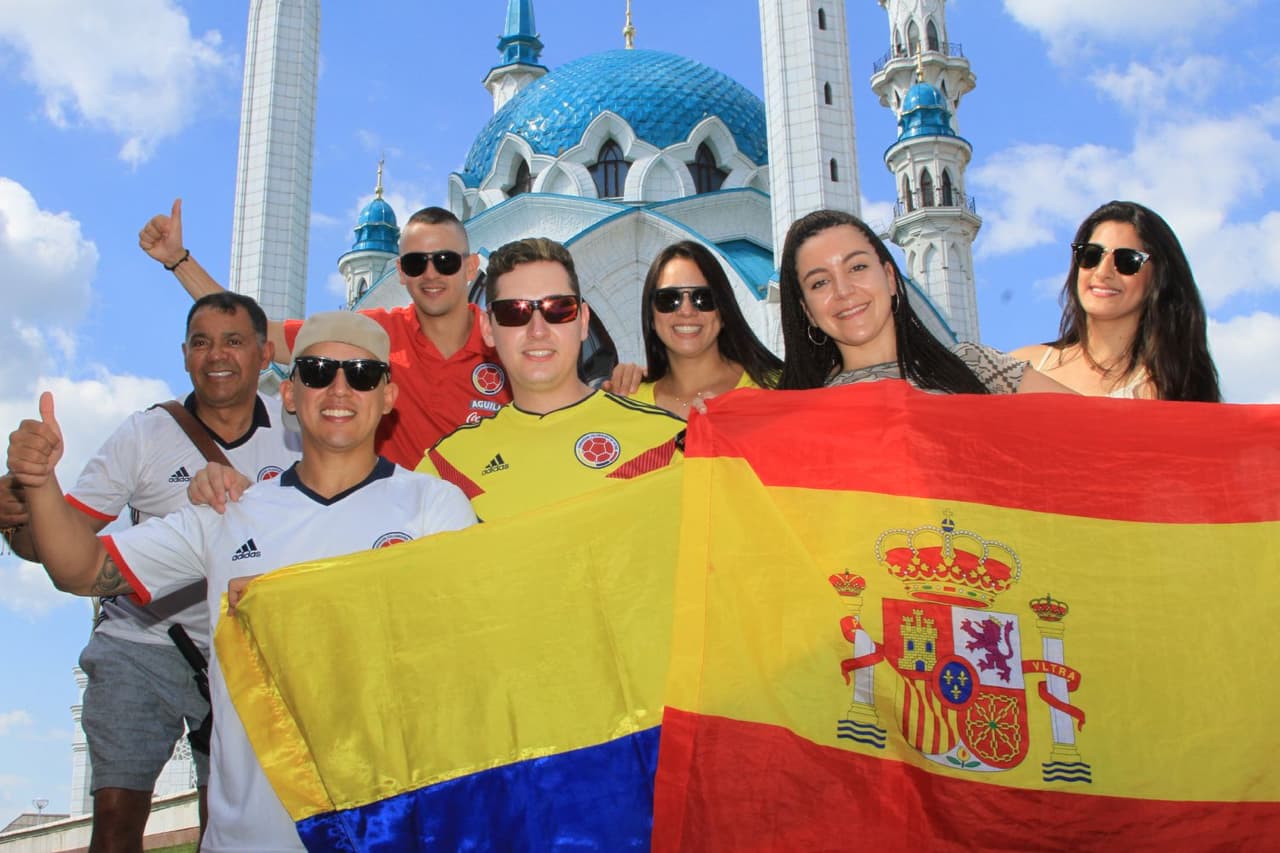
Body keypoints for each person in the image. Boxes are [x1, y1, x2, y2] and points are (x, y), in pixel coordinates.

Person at [7, 311, 477, 852]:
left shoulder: (434, 507)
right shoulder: (231, 512)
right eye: (319, 371)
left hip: (392, 828)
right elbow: (82, 569)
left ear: (388, 396)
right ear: (292, 396)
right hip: (248, 837)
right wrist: (40, 485)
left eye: (362, 374)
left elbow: (455, 660)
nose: (339, 388)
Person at [2, 292, 300, 852]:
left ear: (265, 356)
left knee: (227, 822)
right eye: (201, 342)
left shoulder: (296, 435)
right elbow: (67, 544)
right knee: (115, 817)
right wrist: (24, 508)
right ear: (185, 356)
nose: (217, 355)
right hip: (143, 638)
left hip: (244, 649)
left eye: (234, 342)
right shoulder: (145, 433)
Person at [139, 200, 512, 468]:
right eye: (417, 263)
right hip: (395, 535)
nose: (430, 275)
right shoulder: (371, 334)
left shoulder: (508, 336)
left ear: (470, 266)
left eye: (445, 261)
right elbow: (250, 330)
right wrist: (178, 261)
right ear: (399, 271)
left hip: (487, 535)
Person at [416, 237, 685, 521]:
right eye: (514, 312)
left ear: (582, 321)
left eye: (558, 309)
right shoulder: (447, 467)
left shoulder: (667, 443)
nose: (537, 330)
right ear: (488, 329)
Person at [777, 209, 1069, 394]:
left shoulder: (975, 367)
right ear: (808, 312)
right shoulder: (803, 411)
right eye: (820, 283)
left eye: (857, 267)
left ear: (890, 277)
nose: (844, 291)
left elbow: (1094, 428)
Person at [1010, 200, 1222, 401]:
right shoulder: (1023, 364)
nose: (1102, 273)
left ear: (1159, 278)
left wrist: (1022, 381)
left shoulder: (1170, 390)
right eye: (1091, 255)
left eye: (1127, 261)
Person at [626, 241, 781, 418]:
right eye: (669, 299)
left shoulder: (778, 389)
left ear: (723, 311)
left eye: (703, 298)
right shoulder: (627, 403)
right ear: (651, 316)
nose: (686, 311)